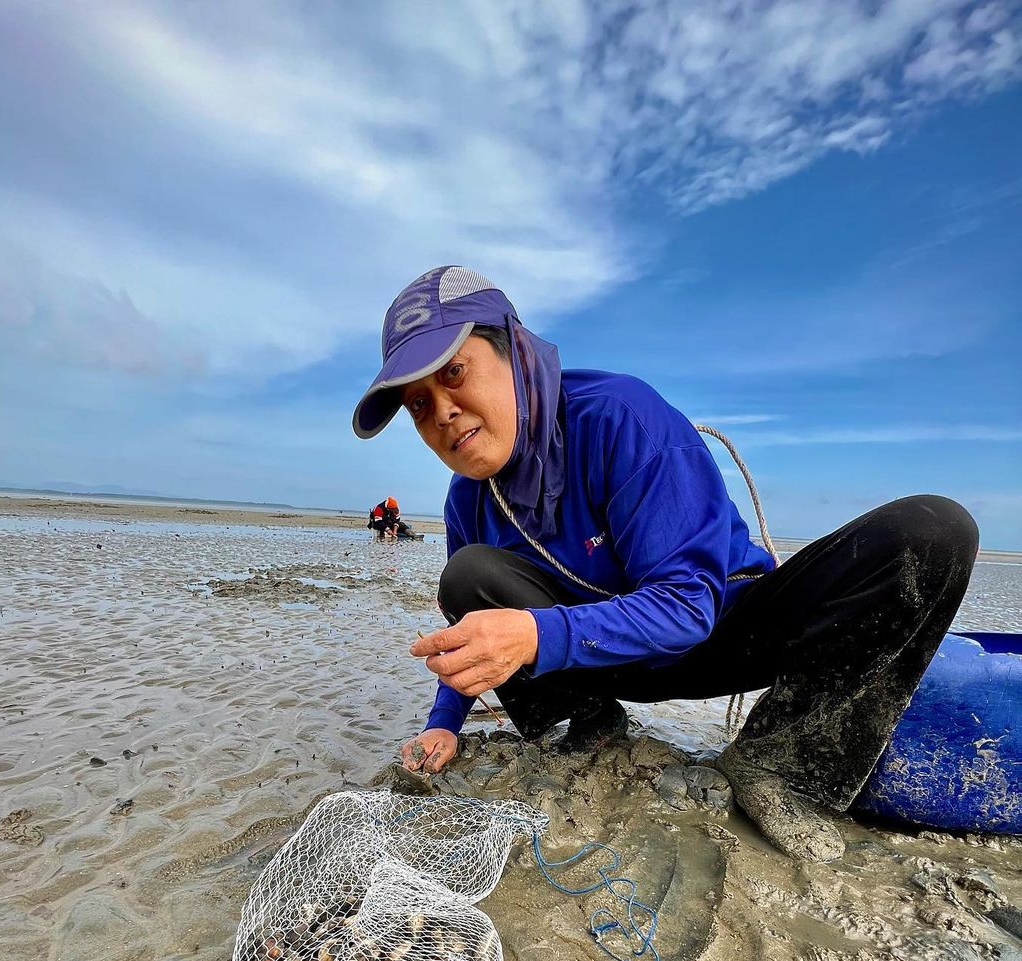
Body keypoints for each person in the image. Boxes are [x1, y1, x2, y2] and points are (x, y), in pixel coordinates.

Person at [352, 266, 978, 862]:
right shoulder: (468, 499)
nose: (441, 412)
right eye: (417, 404)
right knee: (468, 576)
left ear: (514, 350)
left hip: (726, 634)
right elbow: (475, 636)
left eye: (454, 372)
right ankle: (590, 727)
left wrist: (536, 634)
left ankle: (779, 764)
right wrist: (444, 724)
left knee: (933, 531)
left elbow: (687, 603)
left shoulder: (619, 417)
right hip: (601, 664)